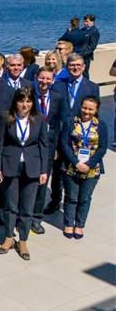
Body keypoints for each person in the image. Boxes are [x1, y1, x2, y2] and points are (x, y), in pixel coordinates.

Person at [0, 88, 48, 261]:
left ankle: (23, 240)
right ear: (15, 102)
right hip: (10, 165)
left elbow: (44, 146)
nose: (25, 105)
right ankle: (9, 237)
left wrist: (44, 170)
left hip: (32, 167)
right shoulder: (6, 117)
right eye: (21, 101)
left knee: (27, 207)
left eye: (28, 101)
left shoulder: (39, 119)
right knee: (10, 205)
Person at [45, 54, 100, 214]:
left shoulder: (92, 87)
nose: (75, 68)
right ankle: (55, 201)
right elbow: (52, 112)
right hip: (59, 135)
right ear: (66, 67)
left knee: (77, 169)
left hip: (80, 137)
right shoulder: (57, 85)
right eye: (72, 65)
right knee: (57, 171)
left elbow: (95, 115)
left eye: (78, 65)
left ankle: (74, 202)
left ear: (83, 67)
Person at [61, 96, 108, 239]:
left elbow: (103, 148)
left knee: (85, 198)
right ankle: (69, 223)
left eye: (90, 109)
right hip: (72, 166)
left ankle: (80, 225)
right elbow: (64, 144)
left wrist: (89, 164)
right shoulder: (71, 122)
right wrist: (76, 162)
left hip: (91, 169)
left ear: (96, 110)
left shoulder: (101, 125)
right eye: (84, 108)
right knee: (71, 197)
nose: (86, 111)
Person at [30, 66, 67, 235]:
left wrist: (57, 147)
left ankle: (36, 218)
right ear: (36, 78)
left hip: (49, 146)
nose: (44, 81)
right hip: (29, 145)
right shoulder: (28, 95)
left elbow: (60, 124)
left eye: (48, 79)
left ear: (53, 80)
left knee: (42, 182)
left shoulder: (57, 98)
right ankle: (22, 215)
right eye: (41, 78)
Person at [81, 14, 100, 78]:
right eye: (84, 21)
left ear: (92, 22)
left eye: (87, 21)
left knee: (84, 73)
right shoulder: (82, 30)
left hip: (86, 56)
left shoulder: (94, 31)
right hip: (79, 54)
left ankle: (86, 84)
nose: (85, 23)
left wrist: (83, 53)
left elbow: (92, 46)